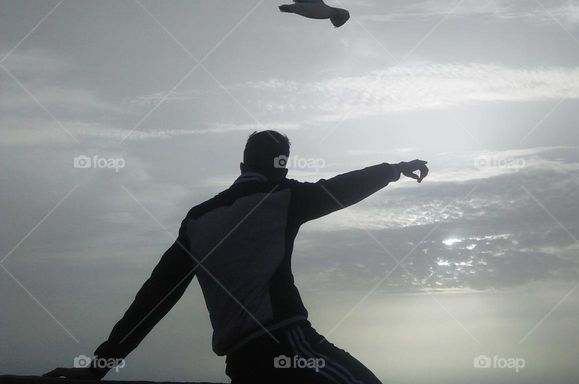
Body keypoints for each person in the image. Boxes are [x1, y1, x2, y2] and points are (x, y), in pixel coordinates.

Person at [45, 130, 428, 383]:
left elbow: (153, 299)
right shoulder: (284, 197)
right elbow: (340, 189)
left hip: (242, 365)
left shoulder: (197, 220)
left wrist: (99, 367)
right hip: (289, 346)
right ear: (283, 166)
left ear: (241, 166)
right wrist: (394, 169)